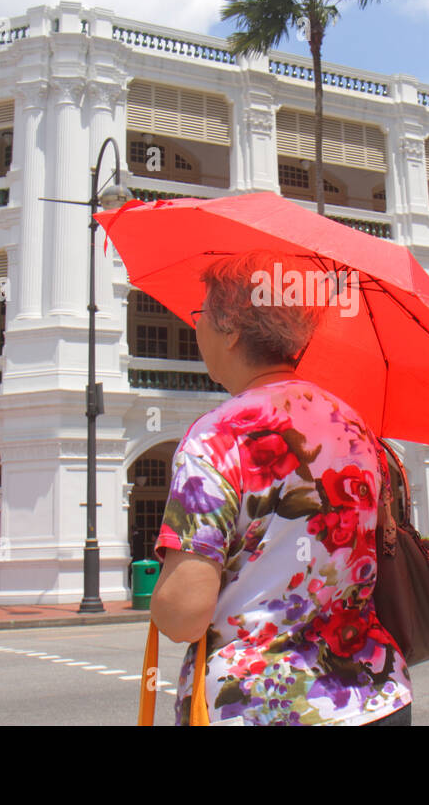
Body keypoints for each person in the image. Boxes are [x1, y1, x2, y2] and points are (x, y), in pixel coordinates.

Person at [149, 251, 412, 726]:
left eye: (200, 316)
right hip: (376, 697)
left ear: (230, 331)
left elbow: (184, 614)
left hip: (265, 706)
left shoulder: (217, 436)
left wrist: (162, 591)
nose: (196, 329)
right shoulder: (354, 427)